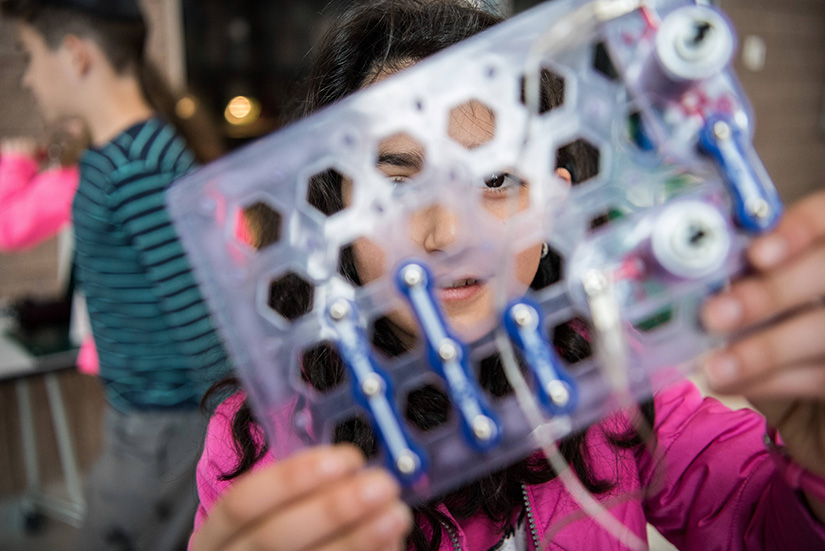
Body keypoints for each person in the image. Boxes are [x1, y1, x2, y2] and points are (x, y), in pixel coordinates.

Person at [190, 2, 825, 550]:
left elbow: (758, 523)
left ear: (555, 204)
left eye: (496, 179)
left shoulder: (616, 379)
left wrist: (815, 465)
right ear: (329, 211)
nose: (449, 234)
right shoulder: (261, 450)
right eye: (396, 182)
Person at [1, 0, 231, 549]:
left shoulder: (139, 165)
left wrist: (235, 433)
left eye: (30, 56)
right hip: (144, 417)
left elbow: (198, 317)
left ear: (76, 56)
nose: (29, 77)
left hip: (163, 425)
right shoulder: (118, 157)